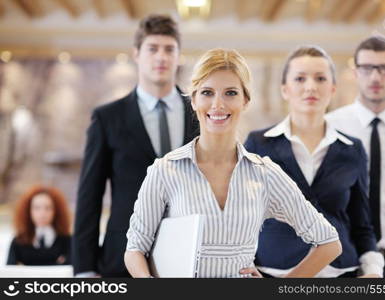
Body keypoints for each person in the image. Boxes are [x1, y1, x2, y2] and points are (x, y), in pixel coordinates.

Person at [124, 48, 342, 278]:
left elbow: (329, 243)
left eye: (230, 93)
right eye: (207, 92)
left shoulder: (264, 173)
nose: (218, 104)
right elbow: (135, 248)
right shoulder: (165, 170)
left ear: (245, 100)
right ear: (194, 100)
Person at [72, 14, 199, 277]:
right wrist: (84, 269)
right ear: (136, 54)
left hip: (190, 253)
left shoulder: (199, 112)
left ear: (178, 55)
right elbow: (89, 197)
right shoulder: (108, 118)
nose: (161, 57)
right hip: (121, 255)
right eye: (152, 49)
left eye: (169, 49)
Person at [245, 46, 384, 278]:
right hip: (273, 273)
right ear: (285, 89)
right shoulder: (258, 143)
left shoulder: (352, 149)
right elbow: (244, 216)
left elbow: (362, 225)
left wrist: (373, 271)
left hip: (341, 273)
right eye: (300, 78)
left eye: (320, 78)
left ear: (332, 89)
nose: (310, 86)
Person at [326, 36, 385, 277]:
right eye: (367, 68)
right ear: (355, 72)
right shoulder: (331, 127)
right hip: (344, 259)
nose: (375, 77)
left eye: (384, 68)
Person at [7, 185, 71, 265]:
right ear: (28, 211)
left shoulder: (67, 241)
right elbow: (9, 271)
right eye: (37, 208)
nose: (42, 213)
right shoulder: (19, 241)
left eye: (48, 208)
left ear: (56, 211)